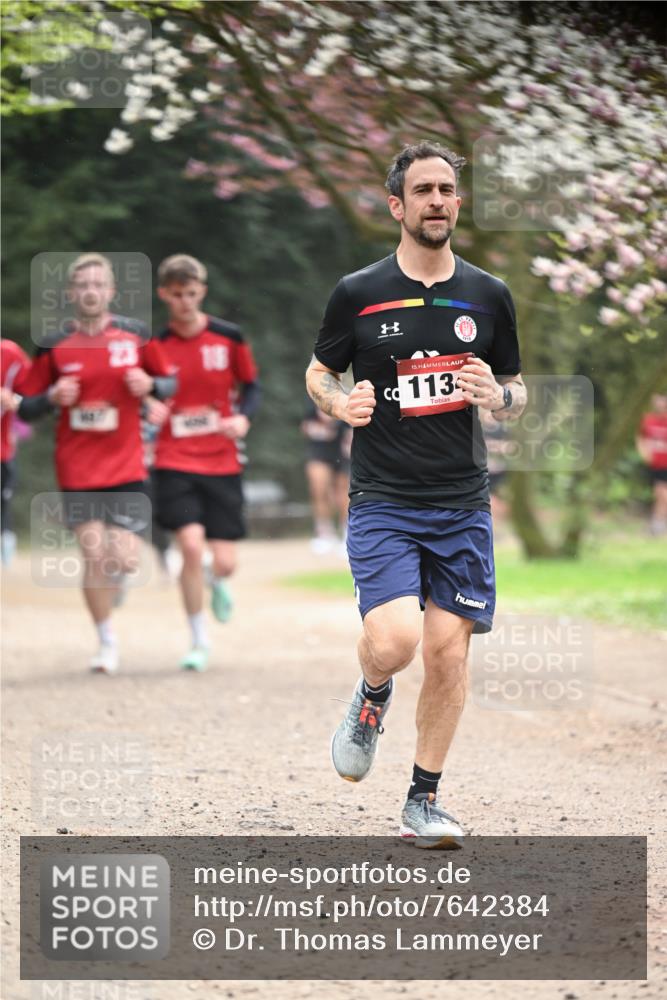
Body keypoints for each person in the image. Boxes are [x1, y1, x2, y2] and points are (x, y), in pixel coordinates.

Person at [306, 141, 526, 848]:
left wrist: (499, 396)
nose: (437, 200)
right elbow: (318, 372)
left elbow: (515, 389)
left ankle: (423, 800)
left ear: (457, 202)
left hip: (461, 502)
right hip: (384, 499)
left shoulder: (488, 295)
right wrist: (339, 404)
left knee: (448, 655)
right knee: (396, 642)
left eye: (446, 189)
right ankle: (372, 692)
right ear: (397, 206)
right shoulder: (358, 292)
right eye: (423, 190)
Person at [17, 253, 176, 673]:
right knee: (93, 555)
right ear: (71, 292)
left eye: (97, 284)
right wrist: (51, 397)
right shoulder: (53, 344)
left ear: (111, 291)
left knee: (123, 559)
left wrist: (151, 384)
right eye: (82, 285)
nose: (90, 291)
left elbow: (169, 381)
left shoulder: (136, 336)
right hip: (77, 467)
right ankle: (106, 642)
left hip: (126, 464)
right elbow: (25, 406)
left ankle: (116, 582)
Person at [151, 254, 260, 672]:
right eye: (177, 294)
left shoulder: (229, 337)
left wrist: (243, 418)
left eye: (191, 293)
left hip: (222, 460)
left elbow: (251, 387)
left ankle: (217, 579)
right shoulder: (154, 346)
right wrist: (149, 407)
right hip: (173, 458)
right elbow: (141, 394)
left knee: (225, 562)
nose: (185, 301)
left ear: (203, 292)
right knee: (191, 547)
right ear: (164, 294)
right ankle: (198, 639)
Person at [302, 397, 351, 554]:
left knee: (343, 493)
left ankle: (346, 533)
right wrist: (321, 429)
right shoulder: (314, 396)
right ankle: (324, 533)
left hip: (342, 450)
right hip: (320, 450)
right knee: (319, 489)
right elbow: (305, 425)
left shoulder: (347, 393)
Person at [1, 338, 31, 565]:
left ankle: (6, 552)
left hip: (2, 452)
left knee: (3, 503)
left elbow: (34, 392)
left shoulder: (10, 353)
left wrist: (14, 399)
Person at [636, 393, 667, 536]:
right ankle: (657, 523)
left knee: (662, 493)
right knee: (658, 494)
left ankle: (658, 525)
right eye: (657, 402)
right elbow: (640, 437)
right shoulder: (648, 420)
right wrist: (643, 452)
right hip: (655, 464)